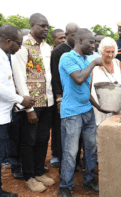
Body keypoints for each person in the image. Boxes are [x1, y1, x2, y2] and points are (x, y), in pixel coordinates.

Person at [11, 13, 55, 193]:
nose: (45, 29)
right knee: (28, 141)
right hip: (32, 104)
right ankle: (29, 176)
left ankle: (39, 172)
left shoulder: (47, 47)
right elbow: (20, 77)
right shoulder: (23, 46)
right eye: (42, 26)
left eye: (47, 26)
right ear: (31, 26)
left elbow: (49, 76)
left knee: (43, 139)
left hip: (48, 101)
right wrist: (28, 108)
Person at [58, 28, 102, 196]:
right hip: (71, 113)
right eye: (91, 42)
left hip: (87, 111)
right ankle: (65, 187)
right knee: (70, 151)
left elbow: (85, 89)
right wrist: (93, 64)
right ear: (80, 41)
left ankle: (89, 179)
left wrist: (98, 107)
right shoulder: (67, 57)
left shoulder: (86, 58)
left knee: (91, 148)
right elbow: (78, 79)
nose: (93, 45)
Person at [0, 24, 35, 197]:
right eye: (18, 43)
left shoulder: (4, 56)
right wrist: (21, 99)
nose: (21, 47)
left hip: (5, 113)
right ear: (8, 41)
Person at [50, 23, 81, 170]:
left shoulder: (80, 51)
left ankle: (76, 162)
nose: (77, 37)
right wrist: (59, 98)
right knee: (63, 132)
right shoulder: (58, 52)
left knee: (77, 132)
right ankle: (64, 163)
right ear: (68, 35)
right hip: (64, 99)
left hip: (78, 99)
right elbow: (55, 78)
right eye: (74, 35)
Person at [91, 37, 121, 126]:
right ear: (101, 51)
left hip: (117, 109)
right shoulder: (94, 66)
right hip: (100, 109)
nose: (110, 55)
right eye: (107, 52)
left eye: (112, 52)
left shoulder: (117, 63)